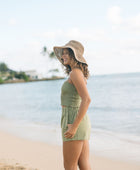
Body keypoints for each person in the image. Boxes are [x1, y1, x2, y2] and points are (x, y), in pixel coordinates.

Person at [53, 40, 92, 170]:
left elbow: (86, 99)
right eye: (62, 54)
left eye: (66, 54)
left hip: (73, 119)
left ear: (74, 55)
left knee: (69, 166)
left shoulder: (75, 73)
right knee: (83, 164)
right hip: (77, 119)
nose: (63, 56)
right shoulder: (77, 72)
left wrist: (74, 127)